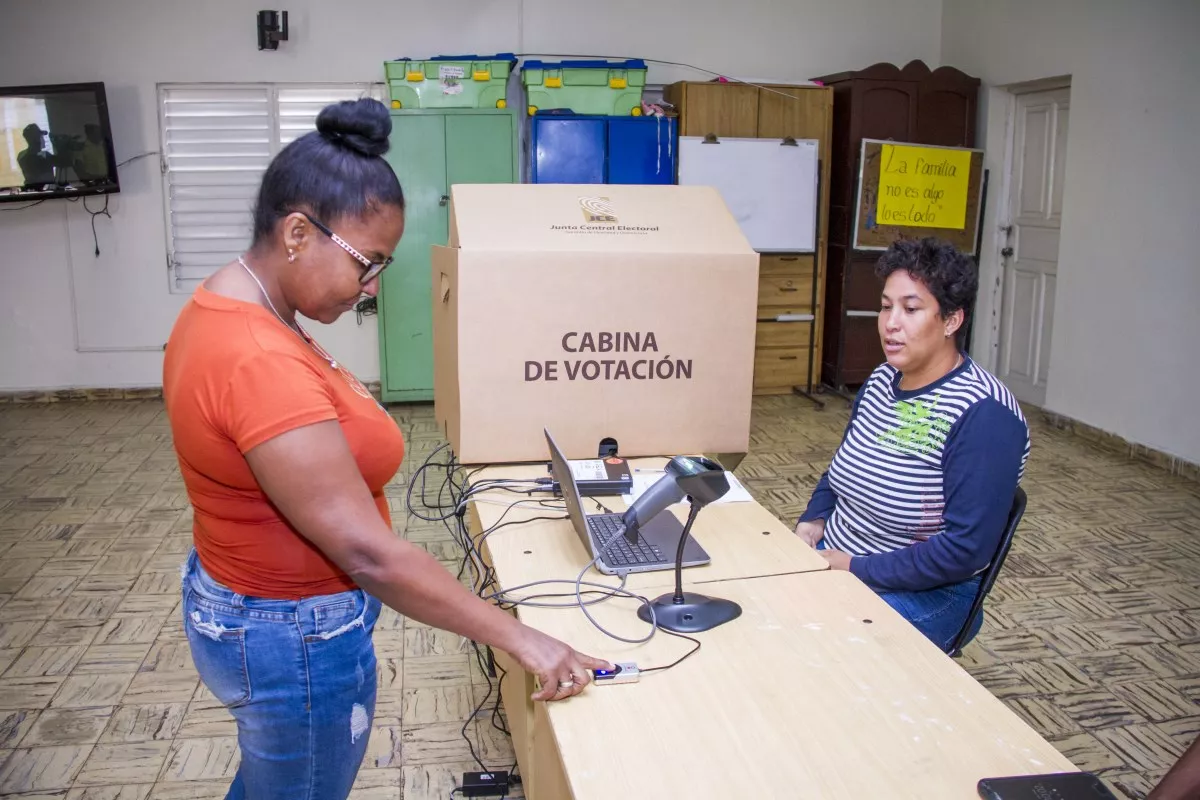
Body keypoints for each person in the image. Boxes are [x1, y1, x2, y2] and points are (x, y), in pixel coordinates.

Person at [162, 98, 611, 800]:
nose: (372, 287)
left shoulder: (233, 306)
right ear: (297, 233)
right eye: (367, 264)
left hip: (262, 609)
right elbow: (366, 553)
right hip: (293, 634)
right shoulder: (256, 357)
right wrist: (522, 638)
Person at [794, 237, 1029, 652]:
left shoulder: (985, 414)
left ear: (952, 320)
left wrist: (854, 567)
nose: (890, 323)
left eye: (911, 308)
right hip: (841, 557)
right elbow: (844, 468)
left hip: (928, 592)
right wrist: (813, 522)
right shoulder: (883, 380)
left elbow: (964, 552)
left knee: (815, 647)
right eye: (886, 306)